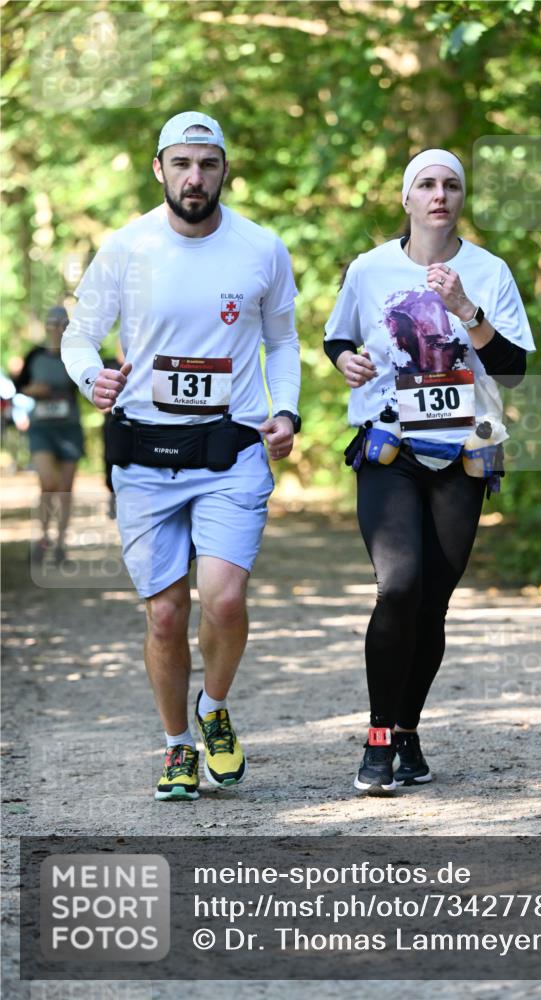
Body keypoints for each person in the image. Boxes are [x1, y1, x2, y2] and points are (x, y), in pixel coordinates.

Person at [62, 111, 301, 801]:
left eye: (208, 164)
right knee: (165, 615)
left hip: (232, 449)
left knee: (223, 599)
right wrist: (92, 377)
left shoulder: (261, 248)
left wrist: (285, 411)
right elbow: (80, 336)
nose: (195, 177)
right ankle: (176, 747)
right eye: (182, 163)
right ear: (159, 169)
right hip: (145, 454)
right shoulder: (126, 247)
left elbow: (282, 342)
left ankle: (213, 709)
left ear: (225, 170)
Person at [324, 149, 535, 795]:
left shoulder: (489, 272)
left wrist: (467, 310)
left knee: (433, 602)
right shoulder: (369, 269)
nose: (439, 194)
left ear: (461, 199)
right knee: (398, 586)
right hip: (389, 448)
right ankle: (378, 737)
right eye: (426, 184)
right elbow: (337, 338)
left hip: (464, 453)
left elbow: (513, 372)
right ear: (406, 198)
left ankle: (407, 730)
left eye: (450, 185)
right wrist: (346, 362)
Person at [14, 306, 84, 565]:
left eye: (63, 324)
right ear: (47, 326)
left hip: (69, 429)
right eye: (53, 323)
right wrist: (33, 390)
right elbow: (19, 386)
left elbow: (90, 383)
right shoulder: (35, 355)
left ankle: (61, 544)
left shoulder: (77, 355)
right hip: (42, 429)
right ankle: (44, 537)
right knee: (48, 483)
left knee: (65, 489)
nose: (58, 329)